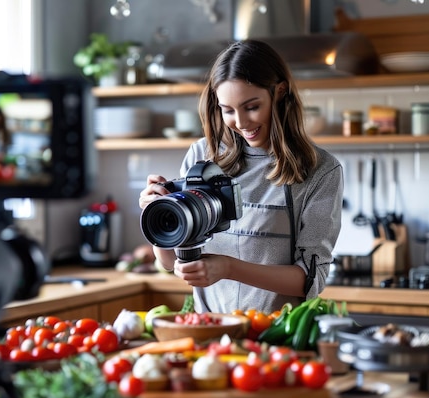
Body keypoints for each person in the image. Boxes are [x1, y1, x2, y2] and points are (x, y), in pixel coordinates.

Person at [138, 39, 344, 314]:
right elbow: (168, 261)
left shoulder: (320, 170)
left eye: (251, 107)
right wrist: (158, 214)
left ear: (280, 92)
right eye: (228, 110)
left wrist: (228, 268)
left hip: (276, 338)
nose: (241, 122)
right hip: (211, 331)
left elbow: (309, 278)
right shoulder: (202, 156)